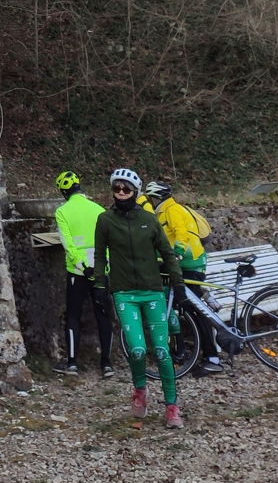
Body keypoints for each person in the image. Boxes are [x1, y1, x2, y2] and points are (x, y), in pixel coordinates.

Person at [94, 167, 186, 429]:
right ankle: (140, 390)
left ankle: (171, 407)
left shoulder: (149, 219)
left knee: (161, 351)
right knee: (136, 349)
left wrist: (177, 284)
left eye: (126, 189)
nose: (121, 193)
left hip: (153, 291)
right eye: (116, 188)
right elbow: (100, 255)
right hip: (124, 292)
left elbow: (167, 253)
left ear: (136, 192)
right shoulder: (105, 220)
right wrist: (100, 286)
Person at [145, 179, 222, 374]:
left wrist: (177, 252)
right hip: (185, 263)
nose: (150, 202)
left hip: (190, 262)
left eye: (151, 198)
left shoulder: (172, 210)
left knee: (197, 311)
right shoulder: (164, 211)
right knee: (192, 308)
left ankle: (212, 358)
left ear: (157, 197)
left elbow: (180, 233)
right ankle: (203, 353)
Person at [52, 170, 115, 378]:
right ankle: (107, 364)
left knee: (73, 316)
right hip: (100, 271)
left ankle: (71, 363)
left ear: (63, 190)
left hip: (77, 272)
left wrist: (82, 266)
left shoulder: (62, 211)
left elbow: (68, 244)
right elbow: (107, 242)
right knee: (104, 316)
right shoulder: (98, 209)